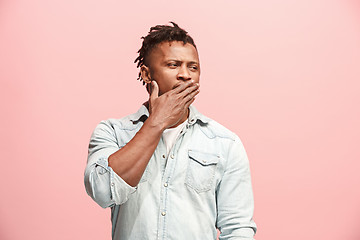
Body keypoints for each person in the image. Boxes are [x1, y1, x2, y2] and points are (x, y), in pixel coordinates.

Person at [84, 22, 257, 240]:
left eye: (193, 67)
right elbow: (102, 192)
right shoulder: (112, 133)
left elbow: (238, 229)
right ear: (146, 74)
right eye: (173, 65)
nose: (186, 75)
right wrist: (156, 123)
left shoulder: (225, 143)